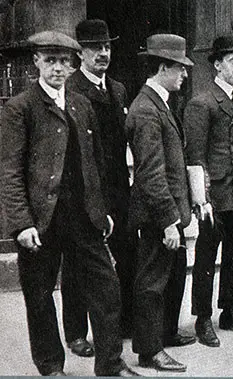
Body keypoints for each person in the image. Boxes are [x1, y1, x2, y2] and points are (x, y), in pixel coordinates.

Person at [0, 30, 138, 377]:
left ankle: (110, 363)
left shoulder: (81, 104)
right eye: (51, 61)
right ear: (36, 62)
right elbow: (9, 171)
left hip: (83, 215)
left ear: (73, 63)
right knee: (40, 295)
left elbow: (95, 162)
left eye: (64, 61)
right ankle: (50, 366)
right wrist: (21, 223)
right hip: (41, 219)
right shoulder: (20, 108)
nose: (58, 69)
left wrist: (102, 209)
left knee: (106, 288)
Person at [61, 19, 135, 358]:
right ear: (81, 53)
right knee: (79, 263)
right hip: (83, 190)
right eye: (95, 48)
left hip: (119, 187)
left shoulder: (118, 90)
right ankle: (76, 332)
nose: (103, 53)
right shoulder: (71, 89)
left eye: (106, 47)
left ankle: (124, 324)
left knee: (125, 253)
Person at [184, 35, 233, 347]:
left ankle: (230, 310)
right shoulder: (201, 103)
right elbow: (195, 157)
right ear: (217, 65)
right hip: (214, 195)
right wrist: (200, 199)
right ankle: (203, 317)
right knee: (206, 256)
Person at [126, 33, 196, 372]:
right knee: (152, 281)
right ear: (163, 67)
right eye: (180, 68)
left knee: (169, 276)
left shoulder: (160, 102)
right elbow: (151, 173)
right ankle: (149, 349)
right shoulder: (146, 109)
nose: (184, 74)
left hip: (169, 211)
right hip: (157, 215)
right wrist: (169, 220)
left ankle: (164, 335)